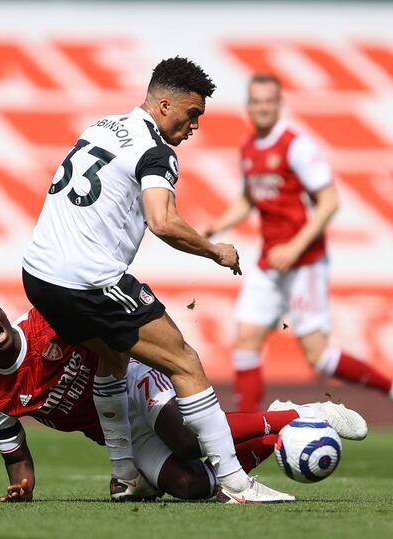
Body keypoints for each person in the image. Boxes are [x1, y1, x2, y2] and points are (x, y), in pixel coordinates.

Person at [21, 56, 289, 504]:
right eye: (192, 114)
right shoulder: (156, 151)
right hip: (87, 276)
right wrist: (214, 249)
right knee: (184, 361)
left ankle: (125, 475)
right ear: (164, 105)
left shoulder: (103, 126)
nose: (194, 127)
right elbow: (162, 222)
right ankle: (235, 484)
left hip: (38, 275)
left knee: (111, 357)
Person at [0, 282, 366, 502]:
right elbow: (18, 463)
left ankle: (303, 414)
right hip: (121, 433)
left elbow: (113, 350)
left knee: (185, 437)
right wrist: (24, 487)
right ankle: (276, 436)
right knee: (192, 486)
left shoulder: (46, 320)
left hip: (133, 383)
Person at [200, 73, 393, 436]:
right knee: (245, 342)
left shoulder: (296, 146)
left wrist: (294, 246)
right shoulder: (248, 147)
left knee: (319, 357)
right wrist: (217, 226)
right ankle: (247, 434)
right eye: (256, 102)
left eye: (268, 102)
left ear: (278, 105)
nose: (262, 108)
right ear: (249, 106)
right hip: (269, 262)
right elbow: (248, 198)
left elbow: (329, 202)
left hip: (304, 262)